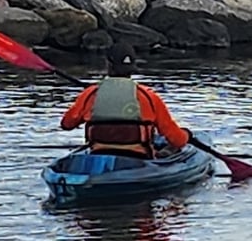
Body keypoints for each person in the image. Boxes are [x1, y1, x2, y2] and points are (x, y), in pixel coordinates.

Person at [60, 42, 192, 158]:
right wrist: (186, 134)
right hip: (139, 159)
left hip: (98, 155)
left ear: (108, 64)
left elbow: (67, 124)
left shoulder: (90, 94)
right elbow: (178, 140)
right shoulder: (149, 97)